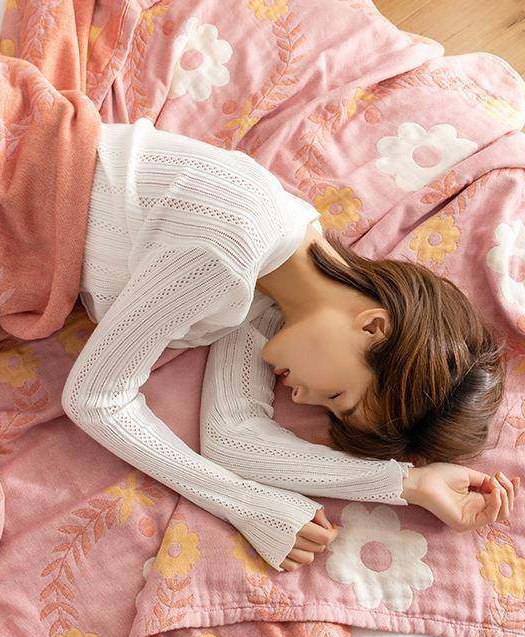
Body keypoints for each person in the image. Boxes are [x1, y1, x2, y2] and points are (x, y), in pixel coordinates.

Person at [61, 118, 521, 572]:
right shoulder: (231, 248)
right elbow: (95, 399)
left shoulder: (273, 287)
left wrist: (410, 484)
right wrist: (246, 505)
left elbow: (233, 437)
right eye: (338, 396)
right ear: (374, 328)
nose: (300, 400)